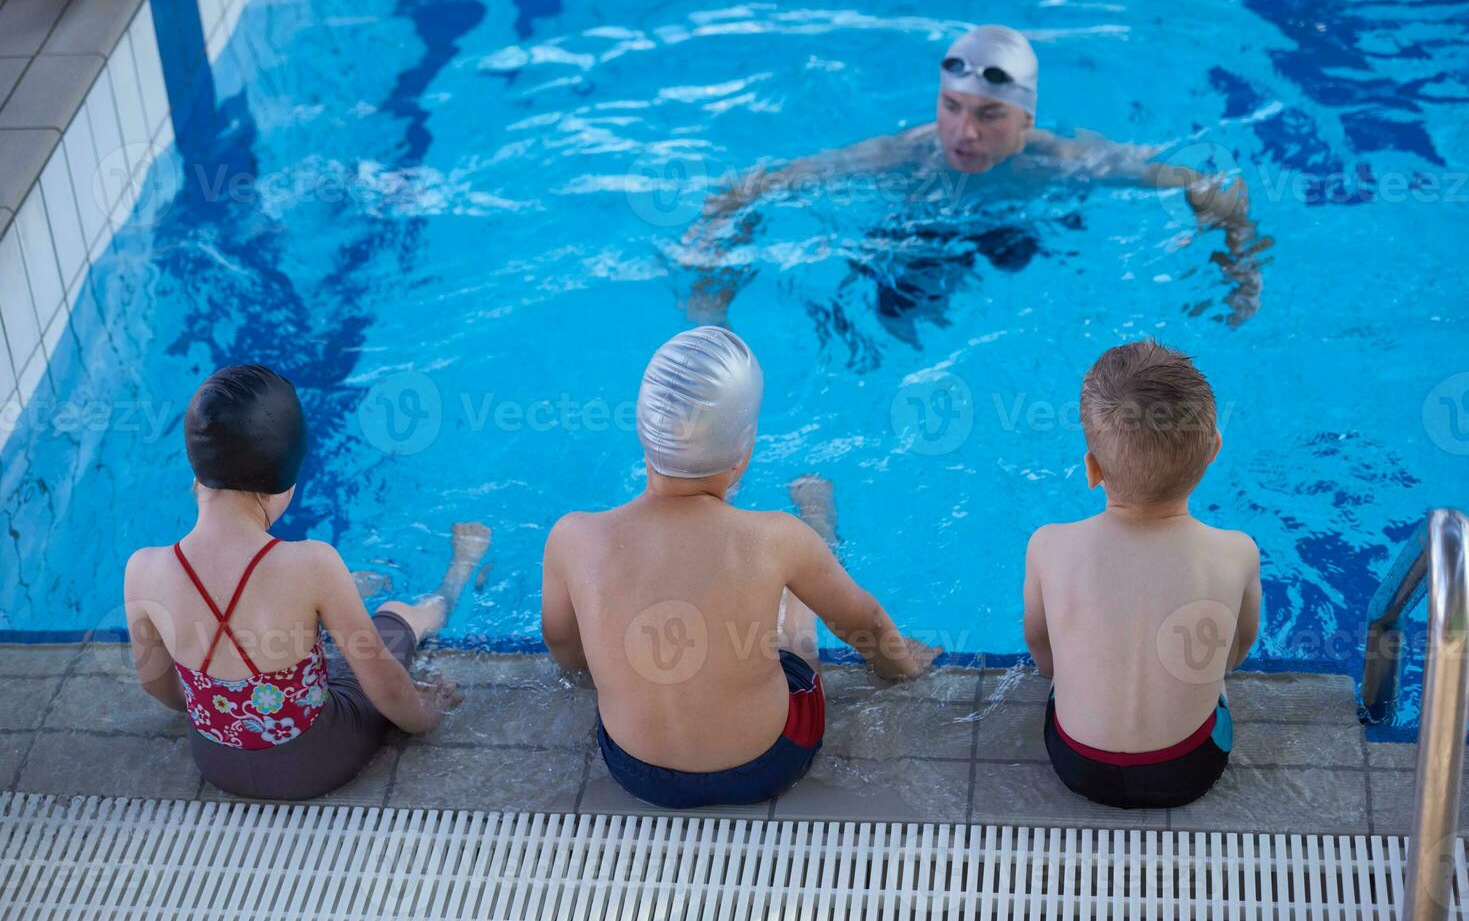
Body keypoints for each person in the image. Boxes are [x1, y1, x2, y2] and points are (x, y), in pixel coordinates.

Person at [541, 326, 936, 808]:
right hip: (765, 765)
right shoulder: (774, 536)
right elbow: (864, 624)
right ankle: (821, 535)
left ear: (642, 431)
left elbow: (564, 645)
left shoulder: (573, 535)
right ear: (744, 450)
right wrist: (902, 668)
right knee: (794, 641)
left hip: (634, 770)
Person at [685, 24, 1270, 328]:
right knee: (893, 310)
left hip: (1024, 220)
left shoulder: (1062, 161)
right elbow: (752, 185)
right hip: (926, 231)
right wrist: (711, 278)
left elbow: (1208, 181)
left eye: (989, 115)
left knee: (1021, 251)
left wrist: (1238, 266)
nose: (963, 133)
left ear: (1027, 118)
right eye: (951, 107)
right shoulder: (902, 156)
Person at [123, 364, 490, 800]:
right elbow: (387, 689)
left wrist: (230, 709)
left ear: (196, 470)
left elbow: (158, 685)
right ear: (281, 479)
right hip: (317, 761)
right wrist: (428, 715)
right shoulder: (312, 561)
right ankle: (457, 574)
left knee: (290, 645)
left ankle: (329, 605)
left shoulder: (143, 568)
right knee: (392, 620)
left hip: (216, 762)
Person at [1022, 339, 1261, 808]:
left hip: (1075, 761)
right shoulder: (1237, 552)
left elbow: (1041, 649)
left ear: (1091, 469)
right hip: (1191, 765)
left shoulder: (1048, 545)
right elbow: (1235, 652)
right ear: (1213, 450)